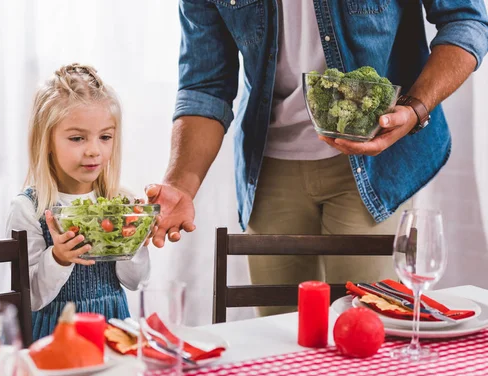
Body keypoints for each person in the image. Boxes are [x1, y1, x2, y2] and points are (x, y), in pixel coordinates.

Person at [147, 1, 488, 316]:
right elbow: (206, 84)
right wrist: (180, 183)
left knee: (367, 330)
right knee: (279, 336)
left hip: (376, 166)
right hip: (269, 169)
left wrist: (415, 108)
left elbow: (466, 20)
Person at [6, 63, 150, 339]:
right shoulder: (29, 209)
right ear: (45, 140)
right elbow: (31, 297)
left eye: (105, 137)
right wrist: (58, 258)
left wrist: (136, 243)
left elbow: (136, 281)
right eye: (77, 138)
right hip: (54, 332)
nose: (94, 150)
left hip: (113, 327)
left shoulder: (121, 201)